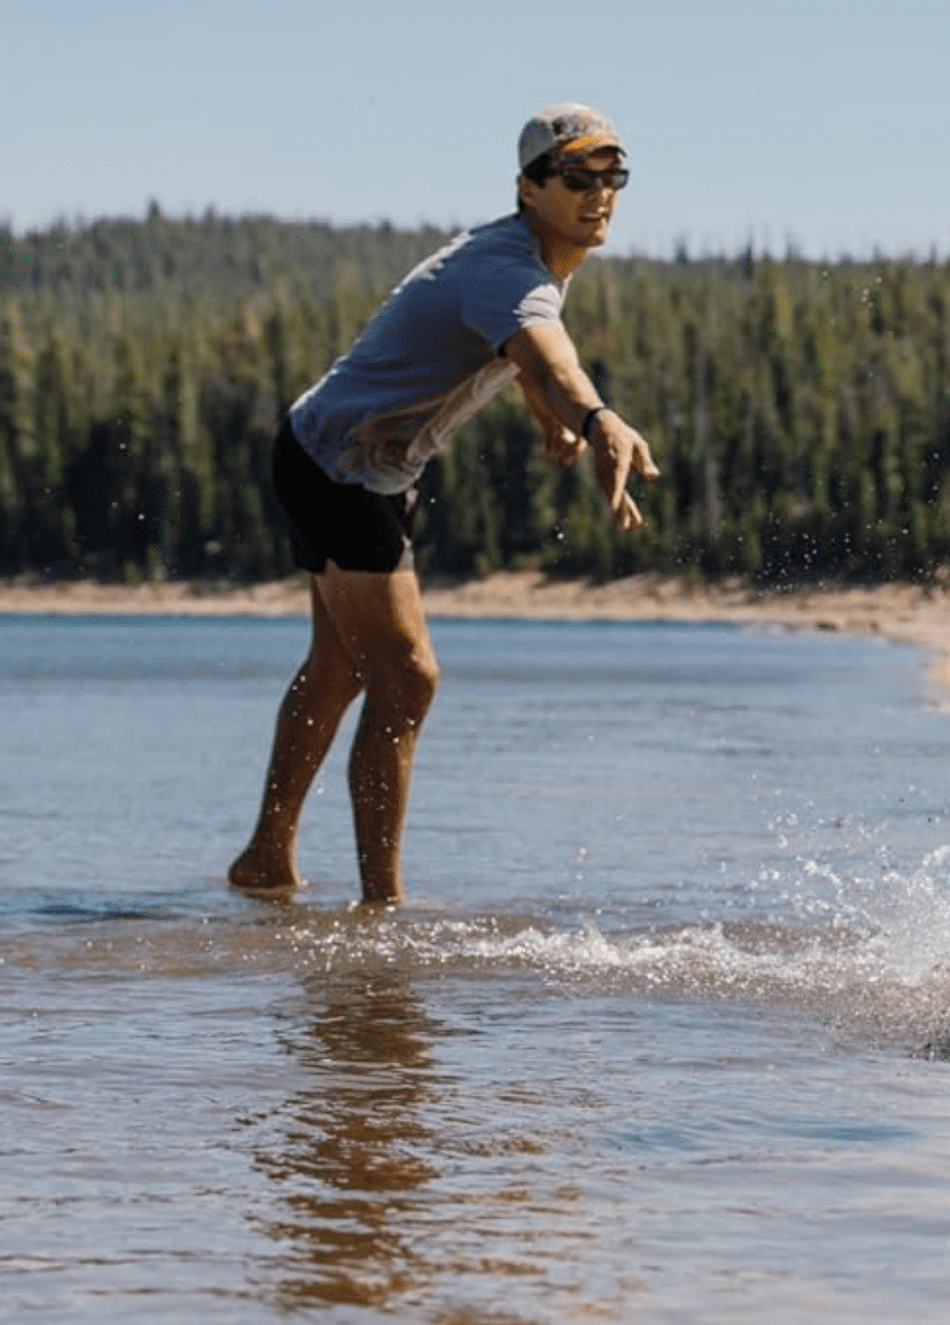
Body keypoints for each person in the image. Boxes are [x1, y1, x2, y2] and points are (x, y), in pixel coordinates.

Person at [228, 103, 660, 905]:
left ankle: (265, 861)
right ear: (530, 189)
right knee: (408, 678)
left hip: (357, 458)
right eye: (577, 178)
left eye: (613, 177)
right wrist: (594, 420)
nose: (598, 194)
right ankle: (381, 910)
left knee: (341, 668)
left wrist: (549, 421)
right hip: (342, 463)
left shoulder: (529, 260)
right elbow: (546, 354)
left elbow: (521, 356)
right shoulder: (509, 271)